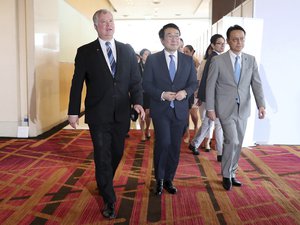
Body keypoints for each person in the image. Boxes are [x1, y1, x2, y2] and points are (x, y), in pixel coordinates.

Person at [67, 9, 145, 219]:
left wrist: (138, 102)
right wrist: (73, 111)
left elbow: (136, 80)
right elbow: (77, 84)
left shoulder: (127, 50)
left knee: (117, 152)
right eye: (103, 22)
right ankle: (109, 199)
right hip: (97, 113)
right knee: (102, 155)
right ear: (95, 26)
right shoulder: (85, 51)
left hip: (121, 112)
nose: (109, 25)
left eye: (111, 21)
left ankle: (103, 180)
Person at [205, 25, 266, 191]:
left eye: (242, 39)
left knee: (238, 143)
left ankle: (232, 173)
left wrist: (261, 104)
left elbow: (256, 84)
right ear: (228, 41)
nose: (239, 42)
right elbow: (210, 86)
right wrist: (210, 108)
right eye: (235, 39)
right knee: (232, 140)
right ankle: (226, 174)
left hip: (243, 108)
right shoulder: (218, 60)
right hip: (225, 108)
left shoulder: (250, 59)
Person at [143, 23, 197, 196]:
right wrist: (162, 94)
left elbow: (193, 83)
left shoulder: (188, 60)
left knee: (175, 146)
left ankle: (169, 179)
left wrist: (185, 93)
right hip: (161, 110)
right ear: (162, 40)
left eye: (177, 35)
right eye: (170, 35)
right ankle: (158, 178)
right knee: (163, 142)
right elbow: (146, 84)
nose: (174, 39)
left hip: (180, 110)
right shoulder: (153, 59)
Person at [188, 34, 225, 162]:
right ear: (213, 45)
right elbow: (206, 79)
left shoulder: (216, 57)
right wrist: (202, 96)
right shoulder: (214, 58)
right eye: (219, 43)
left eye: (223, 43)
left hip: (215, 97)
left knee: (208, 124)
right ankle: (220, 153)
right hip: (213, 98)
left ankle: (195, 144)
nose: (222, 45)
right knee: (216, 124)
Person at [183, 45, 200, 143]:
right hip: (185, 92)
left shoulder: (196, 62)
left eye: (187, 51)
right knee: (186, 115)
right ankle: (188, 134)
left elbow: (198, 78)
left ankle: (196, 128)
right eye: (184, 51)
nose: (185, 53)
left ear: (192, 52)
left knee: (194, 114)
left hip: (195, 92)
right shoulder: (182, 61)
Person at [138, 48, 152, 141]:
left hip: (150, 93)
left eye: (149, 54)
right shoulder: (137, 66)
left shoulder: (152, 66)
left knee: (149, 113)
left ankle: (147, 129)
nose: (148, 56)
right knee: (141, 113)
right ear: (141, 56)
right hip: (140, 92)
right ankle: (142, 132)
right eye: (146, 54)